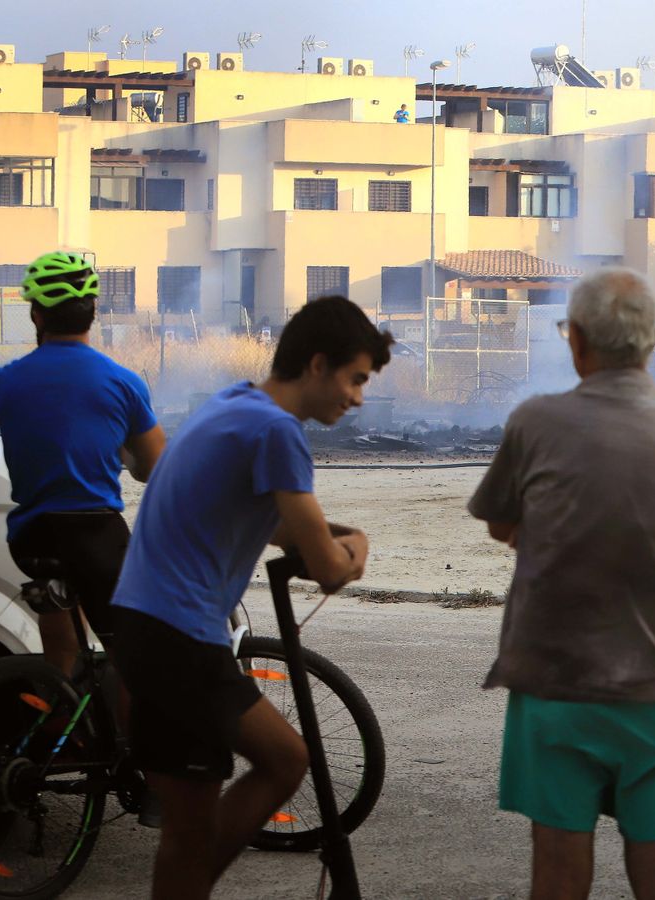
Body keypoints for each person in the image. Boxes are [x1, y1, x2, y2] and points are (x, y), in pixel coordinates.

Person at [109, 295, 391, 900]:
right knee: (284, 761)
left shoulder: (234, 404)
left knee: (186, 830)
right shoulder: (277, 432)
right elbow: (327, 567)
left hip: (142, 627)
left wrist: (328, 536)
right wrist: (356, 541)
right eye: (356, 379)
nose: (359, 397)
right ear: (318, 365)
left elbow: (277, 526)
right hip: (179, 636)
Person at [470, 267, 655, 900]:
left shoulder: (535, 422)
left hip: (558, 683)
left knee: (557, 867)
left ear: (574, 341)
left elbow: (502, 521)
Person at [0, 252, 165, 674]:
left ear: (36, 315)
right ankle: (130, 742)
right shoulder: (123, 383)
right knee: (131, 656)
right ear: (93, 312)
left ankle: (61, 725)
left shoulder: (6, 382)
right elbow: (154, 468)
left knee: (61, 646)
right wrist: (125, 456)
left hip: (33, 539)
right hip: (97, 538)